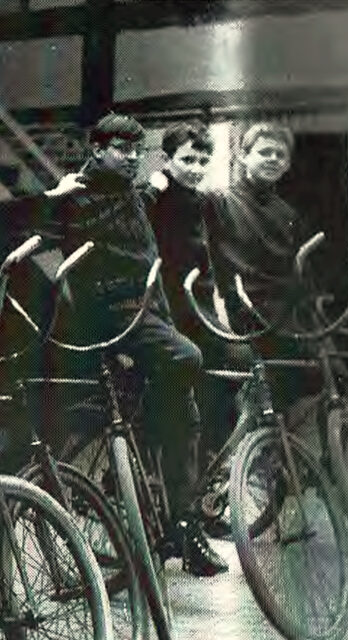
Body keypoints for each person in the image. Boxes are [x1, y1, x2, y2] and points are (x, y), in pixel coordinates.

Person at [43, 112, 228, 576]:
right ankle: (156, 476)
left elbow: (138, 202)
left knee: (186, 410)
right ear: (97, 149)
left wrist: (158, 188)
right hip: (113, 314)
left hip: (148, 311)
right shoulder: (78, 195)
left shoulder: (131, 192)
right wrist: (51, 199)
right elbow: (46, 229)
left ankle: (182, 525)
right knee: (187, 358)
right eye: (121, 150)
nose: (131, 159)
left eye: (136, 151)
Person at [203, 122, 329, 416]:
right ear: (243, 156)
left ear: (287, 165)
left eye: (280, 155)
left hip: (284, 316)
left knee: (325, 376)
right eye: (264, 152)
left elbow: (299, 272)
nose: (273, 159)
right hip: (245, 315)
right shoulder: (220, 203)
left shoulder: (287, 214)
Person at [142, 122, 238, 469]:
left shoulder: (204, 203)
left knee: (231, 370)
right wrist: (152, 189)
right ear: (166, 159)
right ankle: (160, 464)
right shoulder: (156, 198)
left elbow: (213, 257)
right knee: (179, 393)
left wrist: (221, 304)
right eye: (187, 160)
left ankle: (211, 461)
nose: (196, 169)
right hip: (168, 306)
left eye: (203, 161)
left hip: (200, 306)